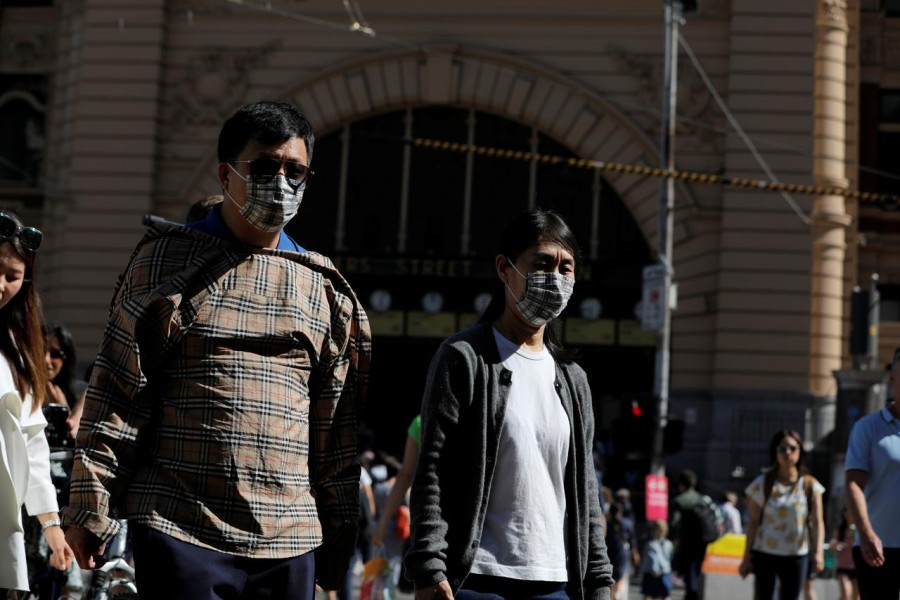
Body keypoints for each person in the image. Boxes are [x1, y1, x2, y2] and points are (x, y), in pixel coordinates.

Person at [61, 101, 372, 600]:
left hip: (289, 539)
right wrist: (88, 509)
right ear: (227, 173)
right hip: (178, 529)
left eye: (295, 170)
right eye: (265, 167)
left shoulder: (325, 289)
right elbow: (117, 392)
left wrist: (338, 536)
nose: (281, 181)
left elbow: (334, 429)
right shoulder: (164, 262)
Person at [405, 209, 614, 600]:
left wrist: (599, 579)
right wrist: (429, 566)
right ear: (504, 268)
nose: (554, 279)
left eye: (566, 267)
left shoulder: (574, 381)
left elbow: (587, 488)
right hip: (477, 579)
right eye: (541, 263)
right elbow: (432, 468)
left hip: (557, 582)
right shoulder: (464, 357)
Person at [0, 210, 75, 595]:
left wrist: (52, 526)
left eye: (13, 276)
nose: (1, 285)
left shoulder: (18, 349)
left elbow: (32, 443)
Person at [739, 429, 825, 600]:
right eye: (782, 449)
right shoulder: (762, 483)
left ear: (800, 451)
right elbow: (753, 522)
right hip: (765, 554)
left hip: (796, 555)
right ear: (775, 452)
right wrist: (746, 556)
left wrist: (818, 553)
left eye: (792, 448)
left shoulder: (810, 485)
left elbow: (818, 522)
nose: (787, 453)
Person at [844, 347, 900, 600]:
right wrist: (865, 533)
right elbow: (853, 484)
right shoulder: (868, 428)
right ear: (892, 377)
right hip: (877, 546)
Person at [669, 469, 708, 600]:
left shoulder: (681, 500)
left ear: (681, 484)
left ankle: (692, 595)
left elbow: (674, 523)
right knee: (695, 573)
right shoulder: (701, 498)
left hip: (688, 543)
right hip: (703, 542)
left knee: (690, 575)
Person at [605, 502, 637, 600]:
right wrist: (634, 552)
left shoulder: (607, 524)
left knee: (611, 578)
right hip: (623, 553)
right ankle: (617, 596)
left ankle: (613, 596)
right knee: (621, 577)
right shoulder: (627, 523)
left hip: (609, 553)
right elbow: (632, 539)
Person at [639, 520, 673, 600]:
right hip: (665, 571)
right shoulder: (668, 544)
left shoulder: (650, 544)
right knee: (666, 594)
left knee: (648, 594)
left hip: (651, 572)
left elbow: (652, 559)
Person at [830, 508, 859, 600]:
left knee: (857, 596)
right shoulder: (840, 529)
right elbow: (833, 547)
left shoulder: (861, 529)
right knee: (846, 593)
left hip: (857, 566)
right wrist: (836, 545)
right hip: (843, 565)